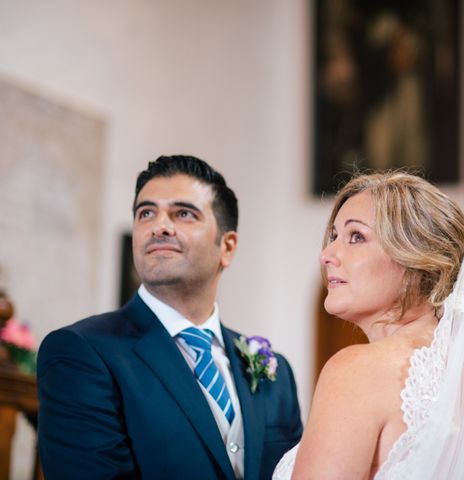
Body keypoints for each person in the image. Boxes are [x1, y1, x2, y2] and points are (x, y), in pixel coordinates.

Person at [37, 155, 303, 479]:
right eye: (146, 213)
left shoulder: (277, 374)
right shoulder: (80, 353)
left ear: (228, 247)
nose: (159, 226)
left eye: (183, 214)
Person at [274, 172, 464, 479]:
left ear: (414, 262)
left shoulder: (355, 372)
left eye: (356, 237)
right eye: (333, 237)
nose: (327, 255)